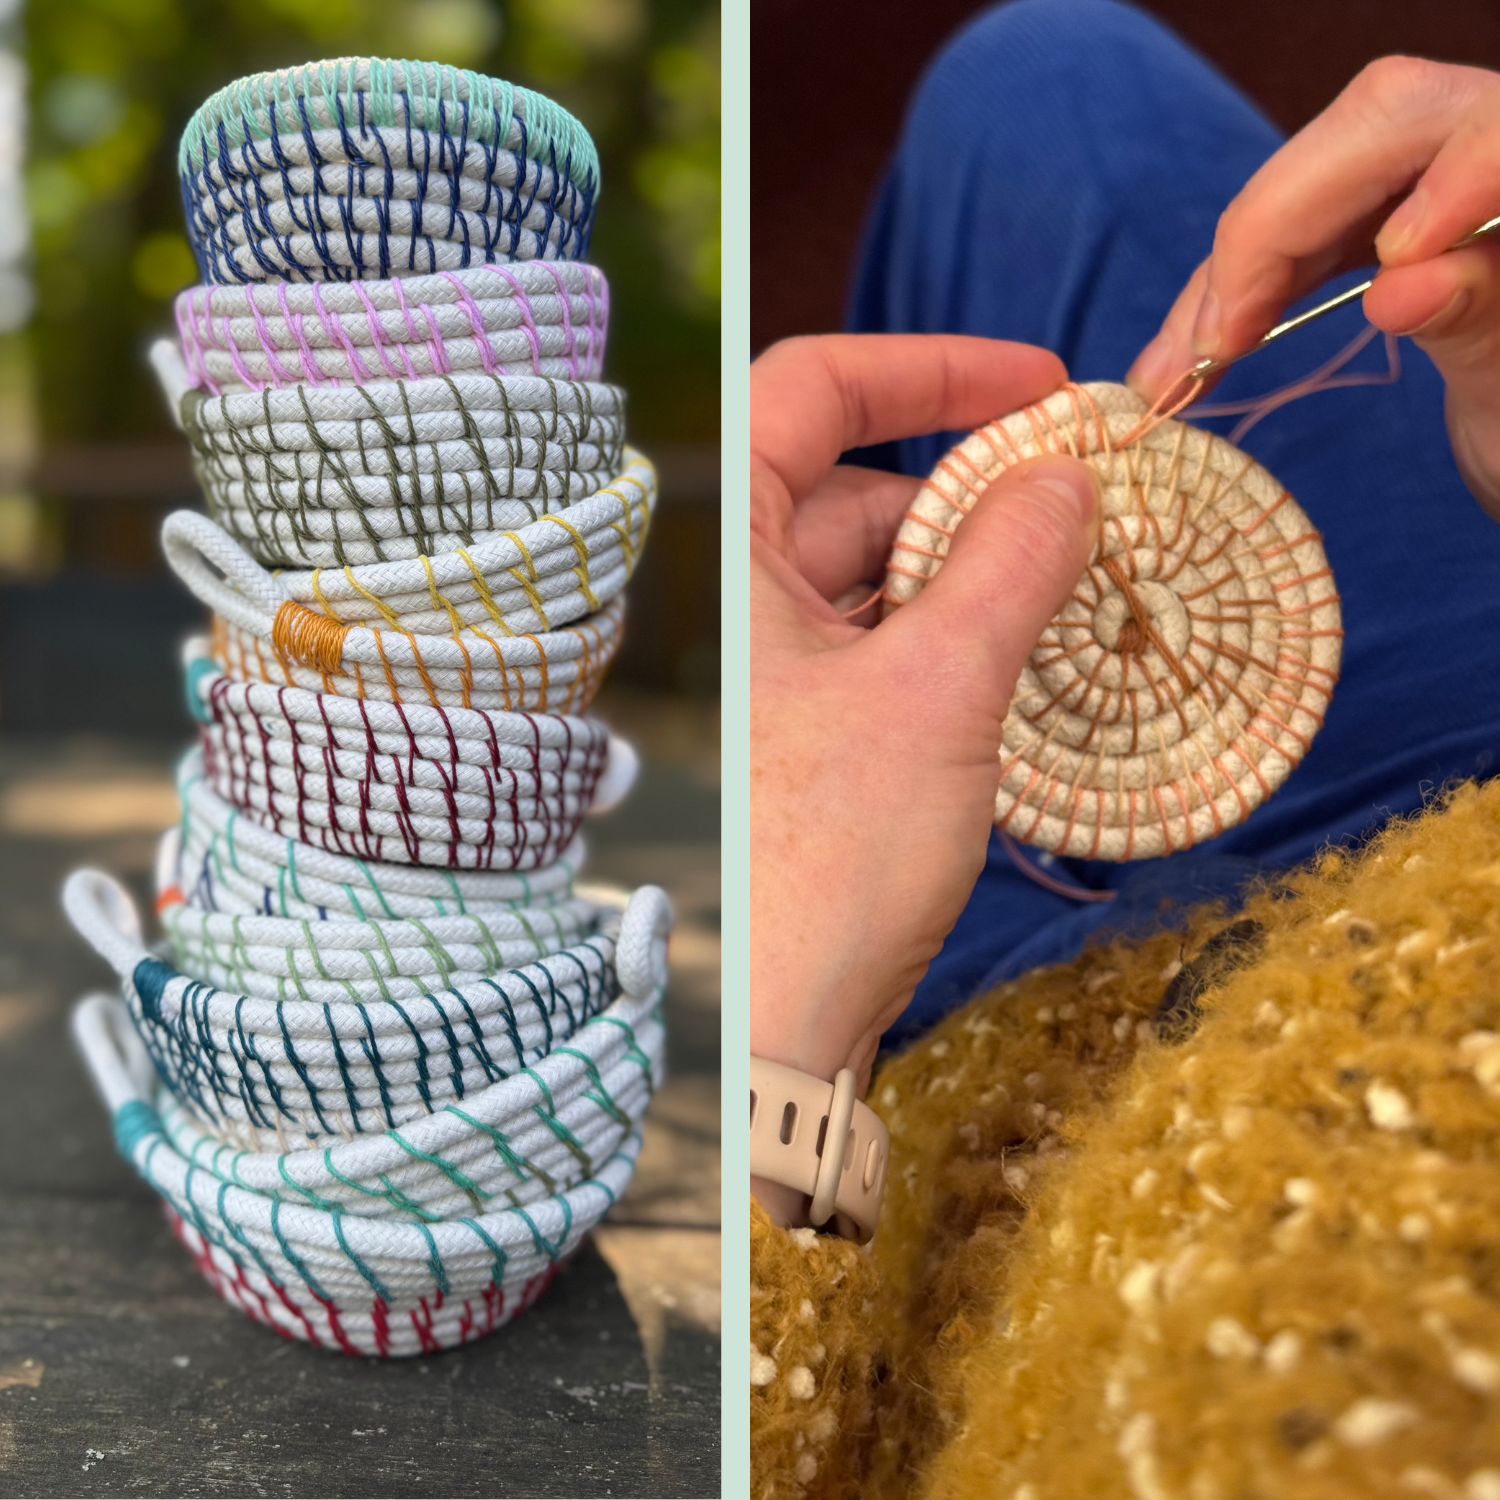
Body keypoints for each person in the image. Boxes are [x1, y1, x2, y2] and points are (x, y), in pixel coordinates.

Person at [752, 0, 1500, 1185]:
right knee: (1046, 75)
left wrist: (775, 1038)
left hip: (1003, 1122)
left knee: (1041, 84)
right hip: (1460, 837)